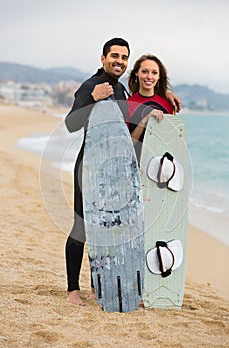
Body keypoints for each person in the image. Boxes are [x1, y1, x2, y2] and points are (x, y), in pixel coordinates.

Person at [64, 38, 181, 306]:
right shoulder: (91, 86)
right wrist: (92, 99)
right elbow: (71, 124)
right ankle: (73, 290)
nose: (119, 60)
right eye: (114, 55)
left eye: (124, 57)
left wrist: (167, 97)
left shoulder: (120, 91)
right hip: (90, 167)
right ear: (103, 57)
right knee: (82, 227)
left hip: (115, 171)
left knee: (107, 229)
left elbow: (133, 122)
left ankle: (98, 287)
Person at [127, 54, 175, 162]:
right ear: (136, 73)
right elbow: (128, 145)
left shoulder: (167, 105)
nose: (149, 77)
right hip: (135, 167)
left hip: (158, 170)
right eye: (144, 71)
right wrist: (145, 120)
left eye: (154, 73)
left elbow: (171, 141)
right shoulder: (127, 105)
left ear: (159, 77)